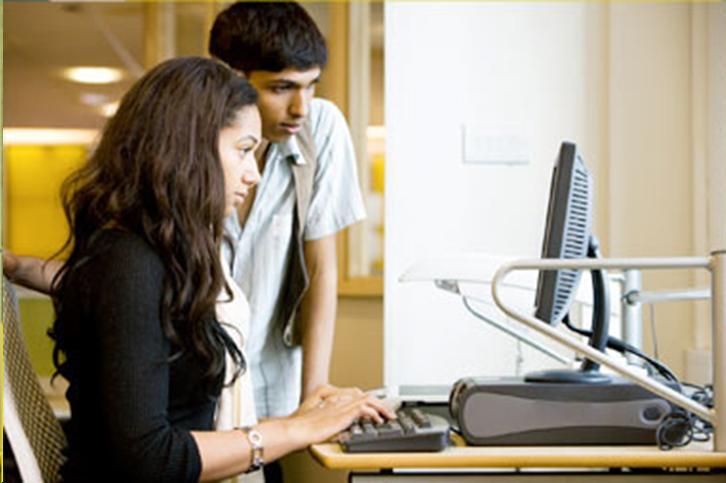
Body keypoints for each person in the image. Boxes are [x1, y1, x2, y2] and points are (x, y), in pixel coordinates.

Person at [47, 56, 392, 483]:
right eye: (245, 150)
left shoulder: (162, 255)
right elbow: (147, 456)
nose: (254, 174)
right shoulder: (128, 262)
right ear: (188, 148)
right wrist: (293, 429)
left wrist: (305, 416)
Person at [208, 1, 366, 427]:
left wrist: (314, 388)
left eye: (312, 86)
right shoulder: (190, 143)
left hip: (268, 386)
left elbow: (321, 266)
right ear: (232, 79)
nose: (302, 106)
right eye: (281, 88)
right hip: (193, 389)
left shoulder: (321, 128)